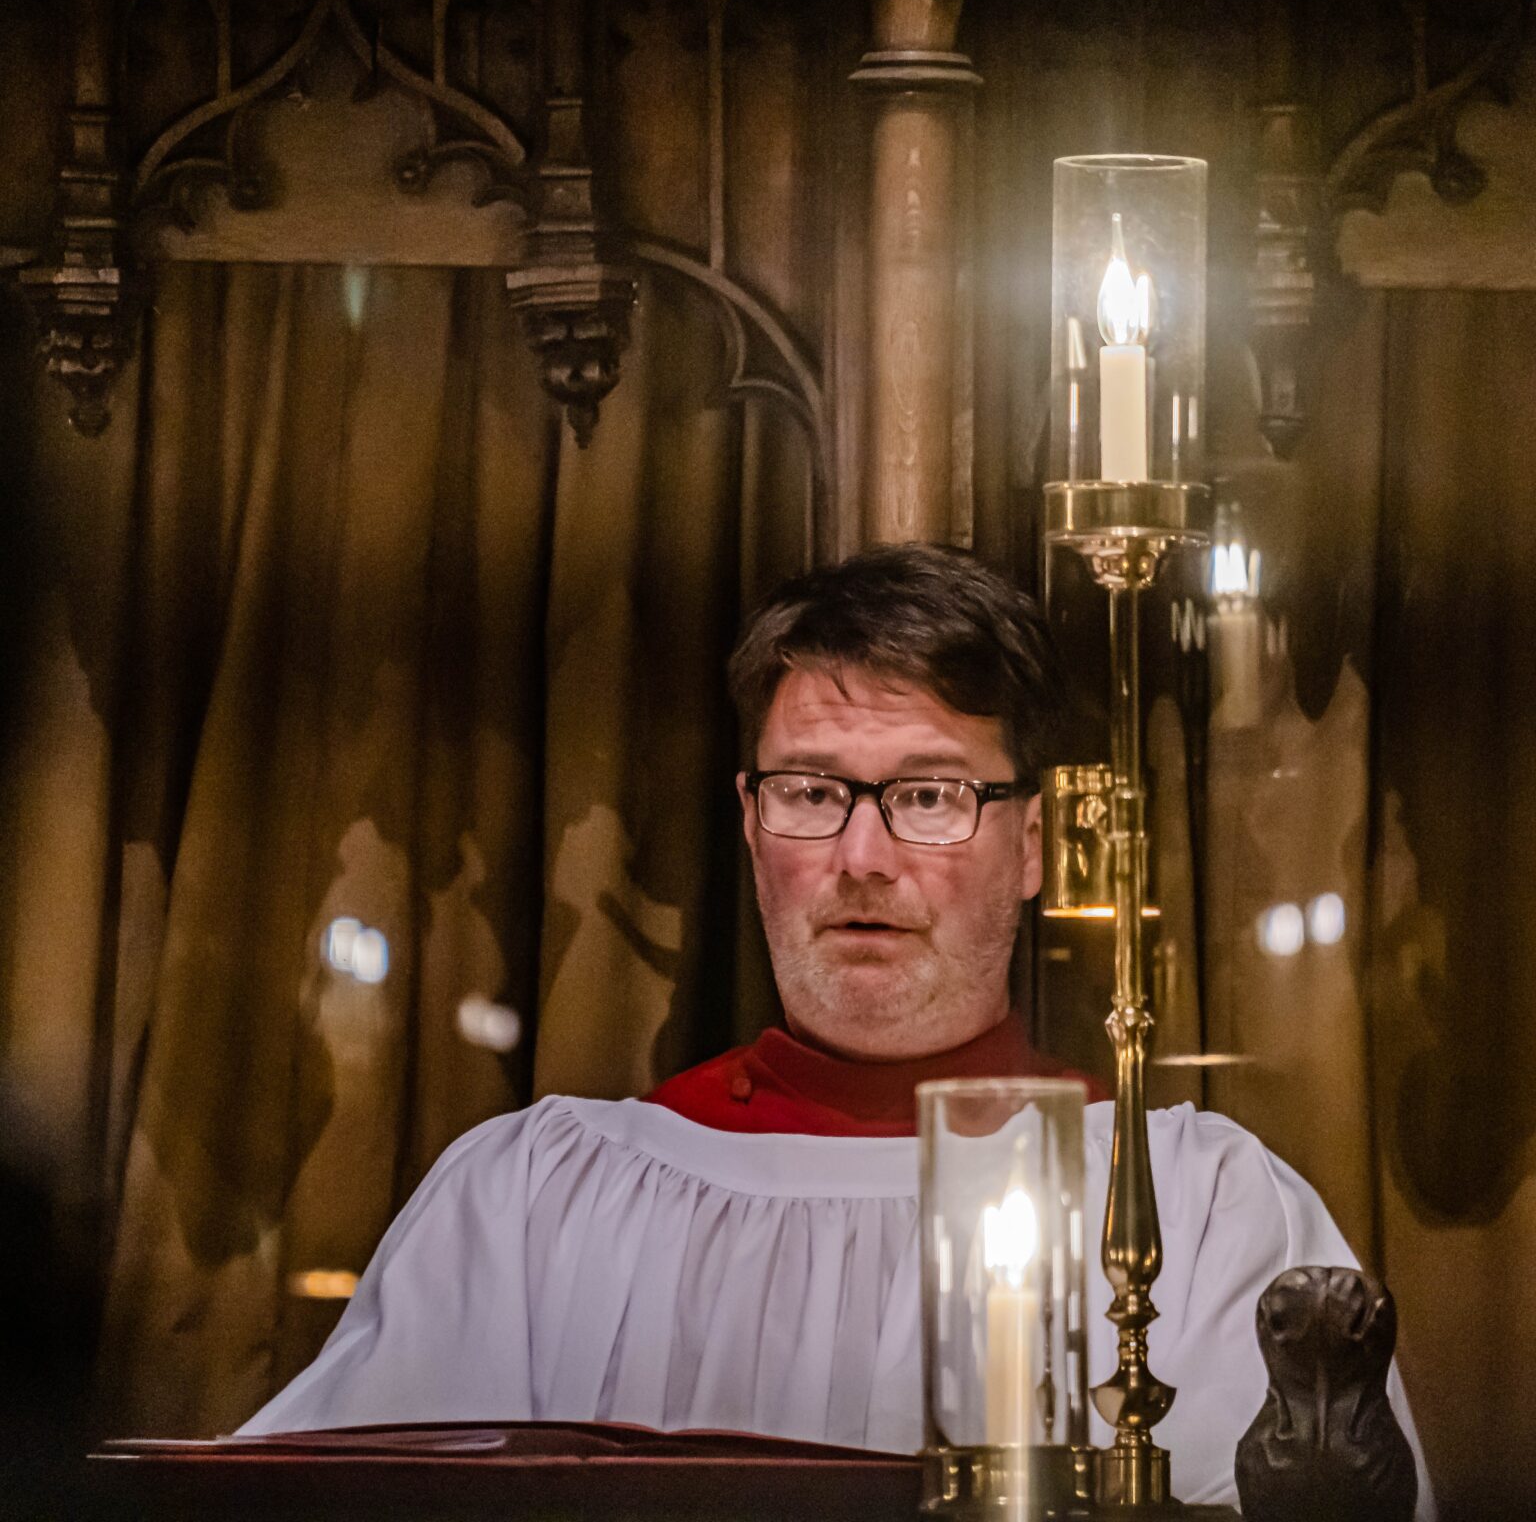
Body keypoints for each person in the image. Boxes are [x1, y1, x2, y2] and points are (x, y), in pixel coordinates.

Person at [238, 545, 1431, 1514]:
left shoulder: (1196, 1207)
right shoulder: (531, 1204)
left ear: (1033, 846)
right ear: (752, 825)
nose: (862, 858)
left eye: (927, 796)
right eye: (814, 792)